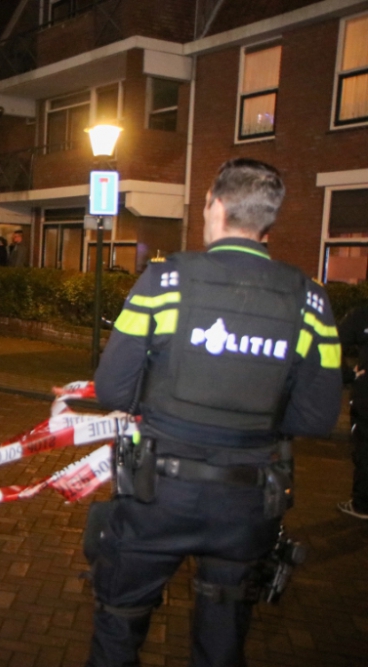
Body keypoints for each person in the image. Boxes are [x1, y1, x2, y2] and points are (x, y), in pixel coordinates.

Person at [88, 158, 342, 667]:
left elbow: (113, 389)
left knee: (120, 619)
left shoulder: (164, 282)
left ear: (216, 206)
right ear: (266, 221)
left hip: (156, 494)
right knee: (223, 632)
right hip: (246, 503)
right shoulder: (310, 301)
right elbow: (316, 418)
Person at [338, 305, 368, 519]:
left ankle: (363, 505)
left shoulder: (362, 315)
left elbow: (331, 341)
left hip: (366, 397)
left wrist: (347, 375)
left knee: (365, 449)